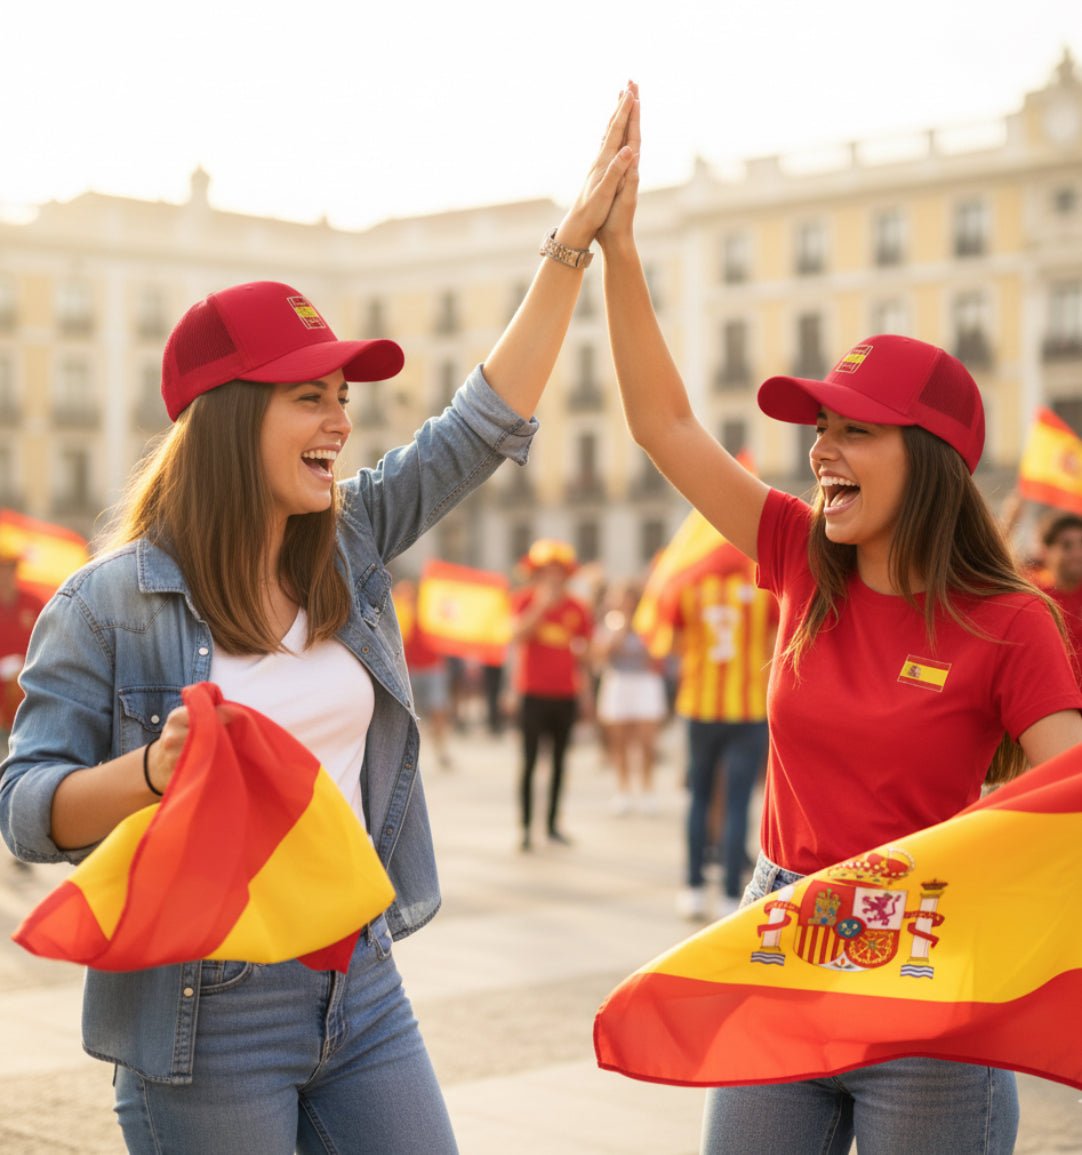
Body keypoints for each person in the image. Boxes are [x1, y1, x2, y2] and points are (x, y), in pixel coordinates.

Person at [0, 88, 638, 1155]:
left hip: (361, 984)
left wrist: (571, 247)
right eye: (310, 397)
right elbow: (25, 809)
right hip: (203, 1014)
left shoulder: (349, 541)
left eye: (342, 395)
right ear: (228, 419)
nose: (341, 421)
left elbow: (479, 424)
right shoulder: (107, 603)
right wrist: (152, 771)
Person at [597, 82, 1082, 1155]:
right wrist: (619, 251)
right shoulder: (798, 557)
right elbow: (665, 424)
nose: (819, 448)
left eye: (854, 429)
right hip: (785, 931)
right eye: (819, 426)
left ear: (933, 459)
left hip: (929, 959)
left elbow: (1069, 799)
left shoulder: (1013, 623)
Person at [669, 551, 777, 920]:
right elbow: (775, 642)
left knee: (699, 798)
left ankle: (694, 886)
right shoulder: (763, 586)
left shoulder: (687, 585)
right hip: (748, 707)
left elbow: (673, 643)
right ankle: (733, 892)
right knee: (737, 802)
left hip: (700, 705)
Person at [510, 539, 593, 850]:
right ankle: (526, 828)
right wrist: (541, 606)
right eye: (547, 572)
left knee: (560, 762)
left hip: (565, 694)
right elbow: (517, 635)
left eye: (558, 572)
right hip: (532, 693)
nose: (553, 577)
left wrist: (587, 694)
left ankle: (553, 825)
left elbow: (587, 655)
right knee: (529, 762)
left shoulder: (578, 608)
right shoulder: (524, 600)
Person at [592, 579, 667, 814]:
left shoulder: (650, 622)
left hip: (645, 681)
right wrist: (619, 632)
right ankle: (623, 790)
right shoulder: (611, 622)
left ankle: (647, 789)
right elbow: (600, 654)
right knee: (619, 740)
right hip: (619, 681)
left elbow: (659, 652)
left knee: (646, 741)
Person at [394, 577, 453, 768]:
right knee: (407, 715)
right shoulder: (398, 614)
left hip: (433, 668)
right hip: (409, 669)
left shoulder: (429, 610)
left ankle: (441, 750)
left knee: (438, 711)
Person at [1034, 511, 1082, 682]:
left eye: (1081, 544)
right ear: (1045, 552)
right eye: (1066, 546)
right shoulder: (1033, 599)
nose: (1077, 554)